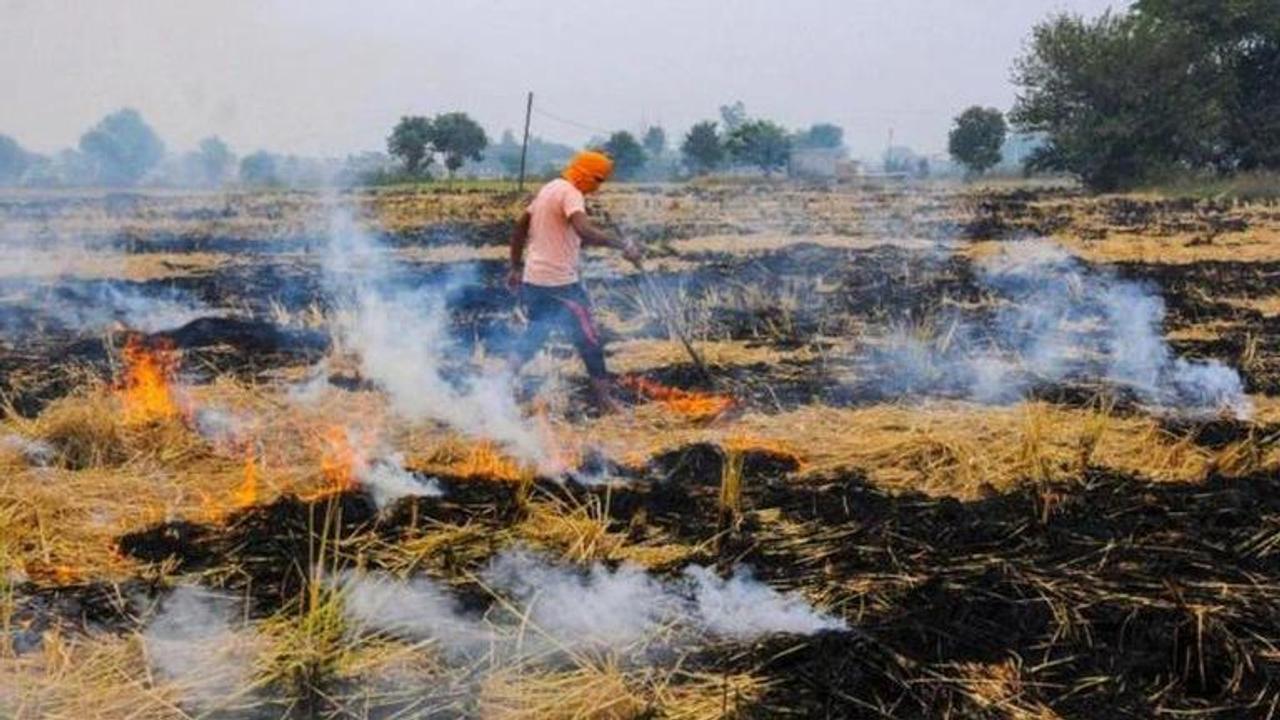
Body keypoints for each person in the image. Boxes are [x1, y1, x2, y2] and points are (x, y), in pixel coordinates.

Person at [506, 150, 642, 412]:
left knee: (536, 333)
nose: (598, 188)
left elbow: (521, 227)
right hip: (559, 283)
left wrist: (515, 266)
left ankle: (499, 384)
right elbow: (584, 231)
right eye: (598, 180)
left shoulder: (549, 188)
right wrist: (622, 244)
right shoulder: (571, 193)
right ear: (586, 175)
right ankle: (604, 400)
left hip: (534, 280)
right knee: (588, 338)